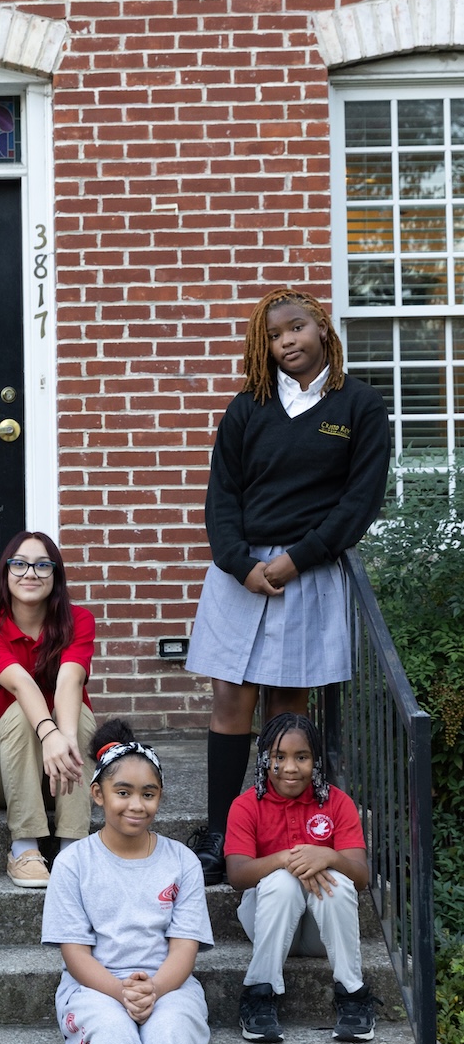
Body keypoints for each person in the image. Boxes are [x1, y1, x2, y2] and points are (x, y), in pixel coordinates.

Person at [185, 290, 390, 884]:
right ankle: (223, 832)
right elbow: (221, 496)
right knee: (231, 702)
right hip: (240, 576)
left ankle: (284, 829)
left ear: (321, 328)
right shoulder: (248, 406)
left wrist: (296, 560)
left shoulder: (359, 406)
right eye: (275, 337)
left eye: (296, 328)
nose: (287, 343)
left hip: (307, 572)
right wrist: (239, 563)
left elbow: (359, 502)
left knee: (286, 712)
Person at [42, 719, 214, 1044]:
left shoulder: (181, 862)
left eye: (148, 793)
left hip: (170, 984)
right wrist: (120, 993)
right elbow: (75, 954)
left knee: (166, 1038)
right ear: (97, 795)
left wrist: (155, 990)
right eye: (122, 792)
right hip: (93, 987)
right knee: (115, 1040)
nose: (135, 804)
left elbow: (183, 948)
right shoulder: (74, 862)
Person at [226, 712, 373, 1044]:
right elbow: (237, 876)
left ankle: (352, 993)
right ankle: (259, 993)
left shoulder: (337, 802)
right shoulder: (247, 805)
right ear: (265, 759)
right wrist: (285, 859)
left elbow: (361, 877)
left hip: (323, 934)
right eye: (279, 757)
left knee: (336, 881)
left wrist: (330, 856)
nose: (290, 768)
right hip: (269, 923)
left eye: (302, 757)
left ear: (316, 761)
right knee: (283, 881)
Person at [0, 530, 97, 888]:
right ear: (6, 573)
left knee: (81, 716)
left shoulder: (79, 621)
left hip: (62, 766)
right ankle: (24, 848)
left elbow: (71, 679)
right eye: (20, 564)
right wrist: (50, 732)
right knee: (24, 712)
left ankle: (73, 846)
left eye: (43, 565)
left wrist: (65, 737)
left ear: (56, 575)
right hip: (1, 770)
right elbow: (20, 684)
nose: (30, 573)